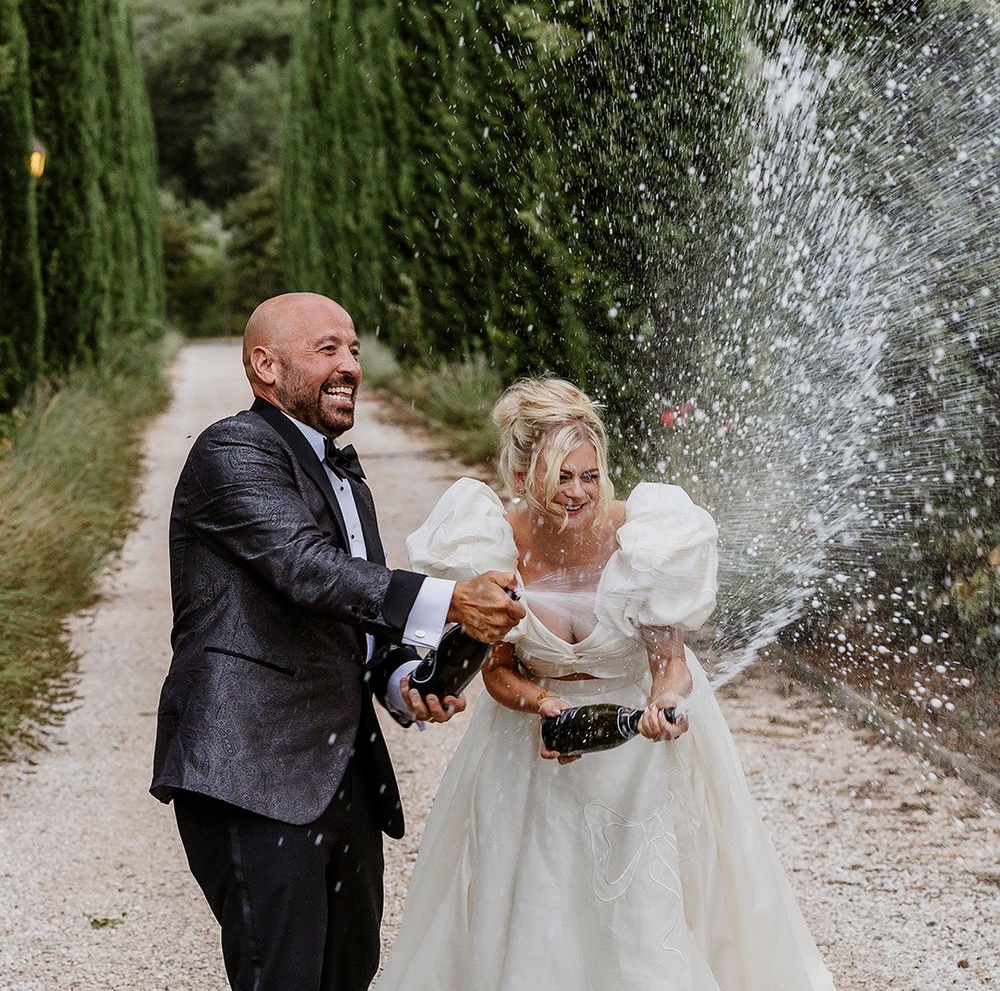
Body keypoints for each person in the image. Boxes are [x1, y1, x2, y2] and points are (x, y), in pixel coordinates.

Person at [375, 377, 836, 991]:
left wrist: (665, 703)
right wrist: (544, 703)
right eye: (560, 477)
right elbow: (499, 672)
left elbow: (667, 662)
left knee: (642, 909)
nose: (577, 492)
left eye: (589, 476)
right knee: (537, 907)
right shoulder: (492, 541)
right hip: (531, 749)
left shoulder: (645, 541)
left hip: (637, 751)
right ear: (522, 478)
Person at [149, 292, 524, 991]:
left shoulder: (344, 473)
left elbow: (357, 607)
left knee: (348, 972)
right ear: (265, 365)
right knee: (282, 976)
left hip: (342, 771)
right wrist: (451, 599)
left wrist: (401, 682)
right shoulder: (230, 450)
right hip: (250, 769)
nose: (350, 364)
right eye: (327, 349)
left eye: (353, 349)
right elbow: (304, 568)